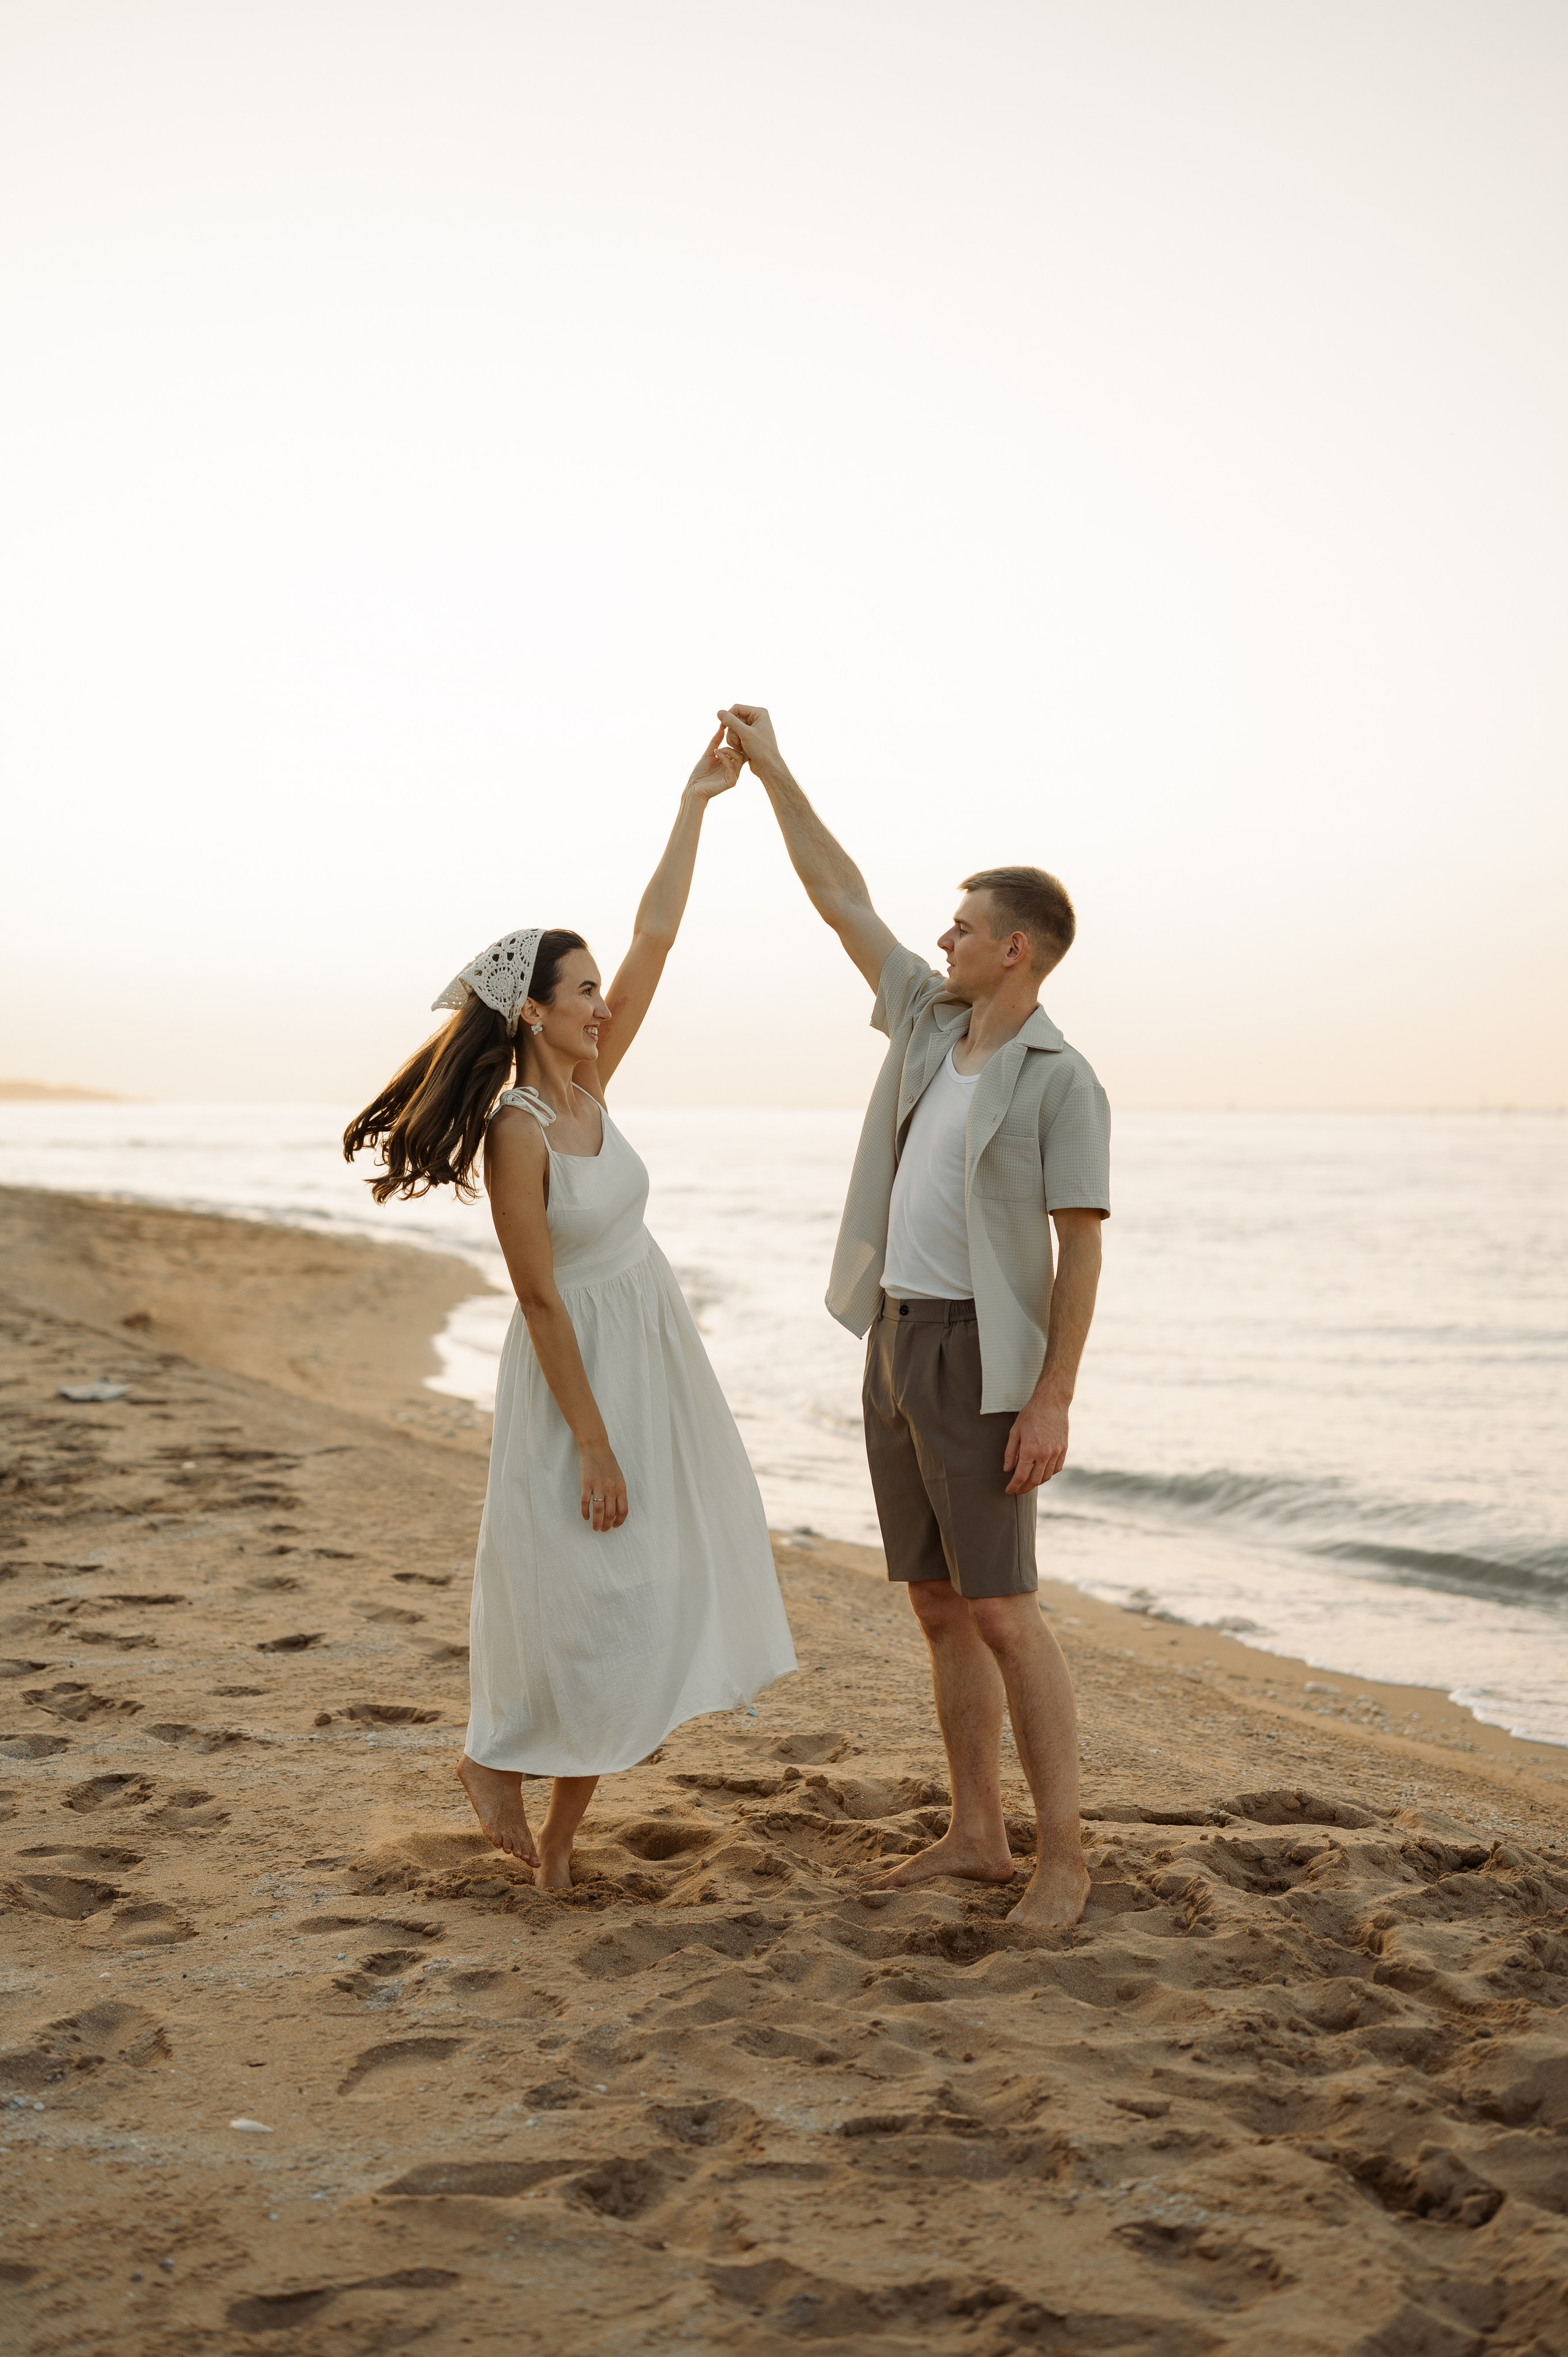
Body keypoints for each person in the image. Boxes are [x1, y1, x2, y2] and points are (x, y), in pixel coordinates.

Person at [343, 730, 796, 1890]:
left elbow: (656, 937)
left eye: (599, 992)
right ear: (534, 1012)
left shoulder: (594, 1084)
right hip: (573, 1380)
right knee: (581, 1601)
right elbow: (539, 1295)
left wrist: (696, 805)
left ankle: (555, 1849)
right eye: (584, 991)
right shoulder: (518, 1131)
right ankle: (491, 1758)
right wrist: (592, 1441)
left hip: (653, 1358)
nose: (604, 1004)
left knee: (640, 1595)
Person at [718, 703, 1109, 1929]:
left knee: (1002, 1606)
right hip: (895, 1336)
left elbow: (1077, 1246)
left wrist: (1050, 1396)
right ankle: (975, 1833)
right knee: (936, 1603)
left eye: (964, 925)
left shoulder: (1061, 1081)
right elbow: (841, 897)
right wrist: (775, 770)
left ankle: (1063, 1853)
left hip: (986, 1358)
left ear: (1018, 952)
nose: (942, 935)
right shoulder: (927, 1023)